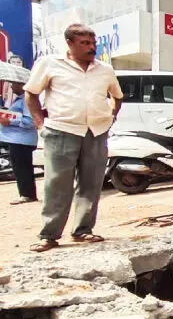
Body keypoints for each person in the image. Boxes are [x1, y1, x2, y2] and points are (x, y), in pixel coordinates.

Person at [24, 24, 124, 252]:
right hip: (61, 130)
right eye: (85, 43)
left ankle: (83, 230)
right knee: (57, 184)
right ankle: (49, 235)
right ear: (69, 43)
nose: (91, 47)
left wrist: (111, 116)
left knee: (92, 183)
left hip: (96, 132)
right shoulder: (50, 64)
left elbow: (117, 96)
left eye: (93, 43)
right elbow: (31, 94)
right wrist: (40, 125)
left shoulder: (105, 69)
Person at [0, 77, 39, 205]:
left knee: (22, 167)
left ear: (22, 85)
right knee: (19, 167)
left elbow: (31, 121)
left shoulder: (27, 100)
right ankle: (26, 193)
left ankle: (27, 194)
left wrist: (10, 121)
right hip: (16, 139)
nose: (11, 87)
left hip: (22, 140)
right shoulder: (18, 99)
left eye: (14, 84)